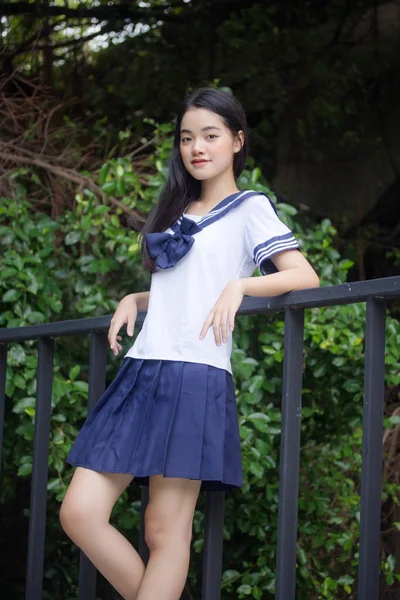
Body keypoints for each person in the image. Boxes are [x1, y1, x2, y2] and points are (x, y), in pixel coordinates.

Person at [59, 87, 319, 600]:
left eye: (210, 135)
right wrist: (136, 297)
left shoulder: (250, 208)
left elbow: (303, 275)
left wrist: (241, 285)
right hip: (143, 371)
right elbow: (182, 289)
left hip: (196, 376)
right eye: (186, 138)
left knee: (163, 531)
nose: (196, 147)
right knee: (80, 513)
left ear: (237, 141)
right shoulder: (180, 210)